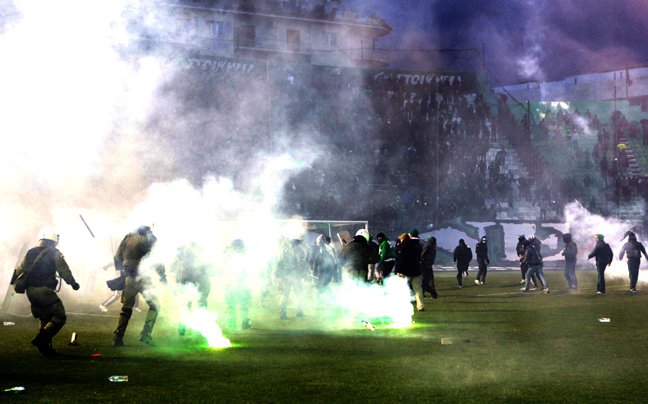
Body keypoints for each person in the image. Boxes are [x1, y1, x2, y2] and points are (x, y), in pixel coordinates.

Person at [11, 227, 80, 356]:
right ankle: (40, 340)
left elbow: (20, 269)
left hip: (30, 290)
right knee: (59, 316)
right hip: (44, 290)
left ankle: (46, 350)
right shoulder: (54, 252)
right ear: (53, 239)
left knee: (44, 318)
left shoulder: (30, 252)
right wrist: (73, 283)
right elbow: (63, 270)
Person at [112, 225, 164, 347]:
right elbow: (157, 258)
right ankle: (146, 335)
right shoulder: (150, 238)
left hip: (129, 277)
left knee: (126, 307)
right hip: (144, 277)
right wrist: (162, 275)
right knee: (155, 305)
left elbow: (117, 257)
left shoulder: (128, 237)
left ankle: (117, 338)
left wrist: (121, 273)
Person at [173, 242, 213, 334]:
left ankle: (184, 326)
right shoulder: (193, 259)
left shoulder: (183, 259)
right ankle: (196, 325)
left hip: (190, 282)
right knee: (198, 303)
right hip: (192, 282)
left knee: (189, 304)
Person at [275, 234, 308, 319]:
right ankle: (283, 313)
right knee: (286, 294)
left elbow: (303, 262)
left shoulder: (295, 250)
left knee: (299, 294)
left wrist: (304, 272)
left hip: (295, 275)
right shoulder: (285, 250)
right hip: (287, 276)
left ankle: (299, 312)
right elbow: (280, 263)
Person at [223, 239, 252, 329]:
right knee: (243, 304)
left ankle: (232, 324)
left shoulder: (228, 254)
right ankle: (245, 322)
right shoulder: (243, 255)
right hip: (241, 283)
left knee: (231, 305)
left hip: (231, 283)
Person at [394, 234, 425, 311]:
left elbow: (400, 260)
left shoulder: (402, 247)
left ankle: (403, 306)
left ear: (403, 239)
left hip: (405, 271)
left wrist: (398, 270)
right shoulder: (416, 247)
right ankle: (420, 306)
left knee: (403, 289)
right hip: (416, 271)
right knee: (418, 290)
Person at [311, 235, 339, 305]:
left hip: (326, 271)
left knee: (323, 286)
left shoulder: (327, 250)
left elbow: (318, 262)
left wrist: (315, 272)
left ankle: (330, 300)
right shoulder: (327, 249)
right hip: (325, 271)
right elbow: (316, 263)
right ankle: (324, 300)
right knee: (323, 286)